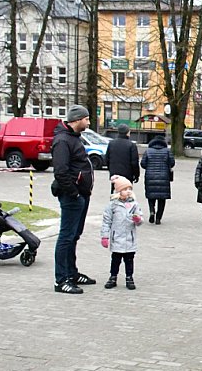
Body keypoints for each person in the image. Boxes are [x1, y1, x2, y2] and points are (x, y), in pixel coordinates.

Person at [51, 105, 96, 294]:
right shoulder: (62, 140)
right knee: (66, 237)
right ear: (77, 119)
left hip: (81, 194)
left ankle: (72, 272)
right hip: (72, 196)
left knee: (74, 236)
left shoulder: (74, 138)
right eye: (86, 119)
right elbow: (61, 171)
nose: (88, 122)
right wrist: (74, 193)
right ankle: (61, 280)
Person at [101, 175, 143, 290]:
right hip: (117, 238)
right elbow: (106, 221)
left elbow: (140, 219)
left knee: (129, 260)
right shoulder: (112, 205)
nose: (128, 191)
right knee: (116, 259)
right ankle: (113, 277)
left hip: (130, 239)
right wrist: (105, 236)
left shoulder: (134, 204)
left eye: (130, 189)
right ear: (119, 191)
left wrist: (137, 219)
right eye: (125, 189)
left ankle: (129, 277)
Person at [141, 135, 175, 225]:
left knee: (151, 196)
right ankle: (158, 218)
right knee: (162, 198)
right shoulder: (167, 151)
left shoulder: (148, 151)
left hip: (150, 176)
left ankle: (152, 211)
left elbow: (143, 164)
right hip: (164, 176)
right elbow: (172, 163)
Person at [104, 124, 140, 192]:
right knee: (126, 194)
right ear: (127, 132)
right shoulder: (131, 145)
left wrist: (111, 171)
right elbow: (134, 162)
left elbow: (107, 159)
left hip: (115, 175)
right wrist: (136, 175)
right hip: (127, 175)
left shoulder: (111, 143)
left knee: (115, 193)